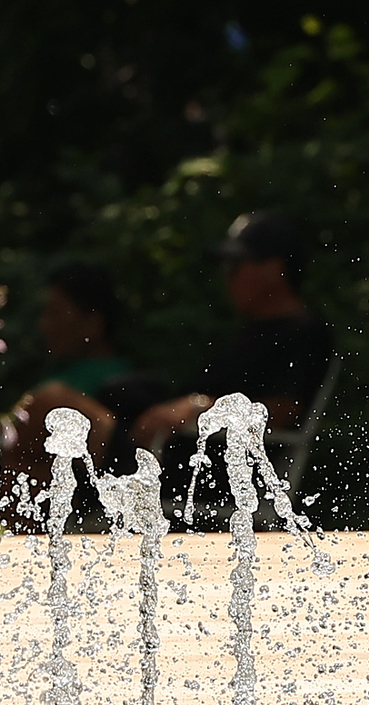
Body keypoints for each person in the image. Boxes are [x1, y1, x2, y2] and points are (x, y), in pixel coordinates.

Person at [130, 210, 334, 453]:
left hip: (212, 462)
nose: (226, 276)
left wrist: (197, 408)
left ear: (273, 269)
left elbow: (282, 410)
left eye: (235, 264)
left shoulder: (301, 333)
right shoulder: (255, 331)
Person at [0, 264, 134, 521]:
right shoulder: (60, 374)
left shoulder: (115, 381)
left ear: (93, 323)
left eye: (56, 313)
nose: (44, 324)